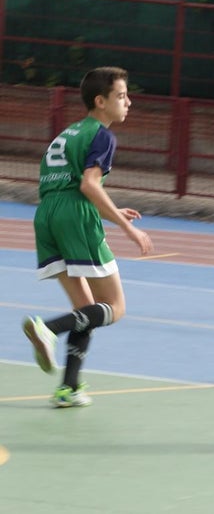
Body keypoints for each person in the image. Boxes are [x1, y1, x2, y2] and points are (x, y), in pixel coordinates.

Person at [21, 66, 154, 408]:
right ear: (101, 101)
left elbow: (69, 185)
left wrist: (111, 211)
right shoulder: (102, 135)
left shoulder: (68, 133)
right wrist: (128, 229)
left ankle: (69, 388)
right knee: (115, 308)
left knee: (86, 309)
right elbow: (88, 185)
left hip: (47, 215)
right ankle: (49, 328)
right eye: (122, 96)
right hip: (74, 215)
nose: (129, 102)